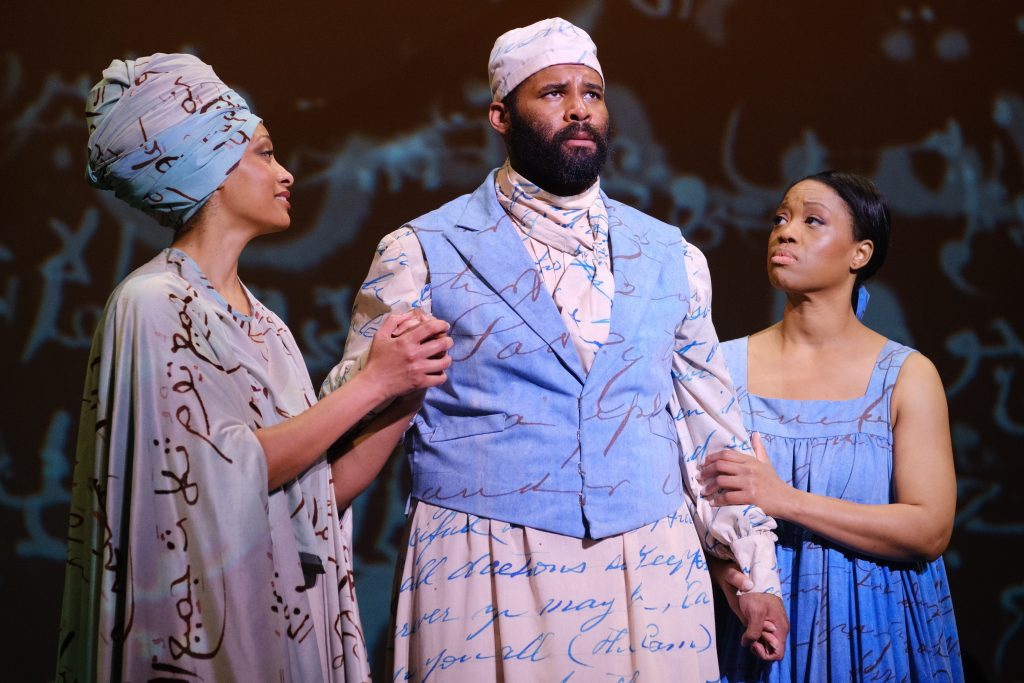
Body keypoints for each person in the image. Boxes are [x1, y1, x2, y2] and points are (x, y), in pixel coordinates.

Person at [321, 18, 788, 681]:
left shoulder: (671, 256)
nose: (579, 110)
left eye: (592, 94)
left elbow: (710, 425)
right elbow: (351, 416)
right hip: (483, 560)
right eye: (553, 93)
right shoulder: (421, 250)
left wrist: (753, 572)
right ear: (500, 115)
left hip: (650, 563)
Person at [57, 53, 452, 682]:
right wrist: (372, 382)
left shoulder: (266, 326)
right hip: (208, 634)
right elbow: (223, 475)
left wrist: (404, 393)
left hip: (281, 624)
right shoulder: (152, 303)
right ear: (205, 165)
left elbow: (313, 498)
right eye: (265, 153)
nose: (287, 172)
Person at [701, 171, 964, 681]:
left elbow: (929, 528)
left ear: (859, 254)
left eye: (811, 221)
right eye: (781, 218)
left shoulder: (905, 375)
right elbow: (693, 516)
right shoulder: (720, 369)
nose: (786, 231)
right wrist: (739, 587)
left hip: (876, 623)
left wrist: (785, 499)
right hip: (756, 627)